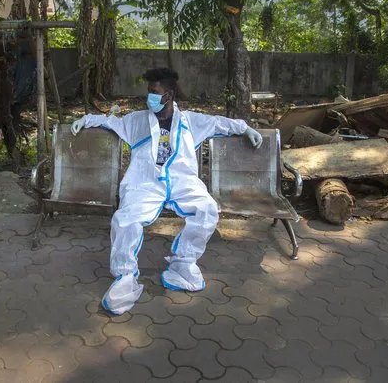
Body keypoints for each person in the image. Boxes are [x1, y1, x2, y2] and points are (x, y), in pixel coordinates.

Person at [71, 68, 262, 314]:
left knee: (207, 209)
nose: (148, 97)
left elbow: (218, 122)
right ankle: (125, 277)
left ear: (169, 94)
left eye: (154, 92)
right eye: (148, 91)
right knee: (126, 219)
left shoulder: (190, 121)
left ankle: (182, 264)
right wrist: (85, 120)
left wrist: (245, 128)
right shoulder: (137, 121)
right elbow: (110, 122)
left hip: (182, 182)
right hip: (146, 183)